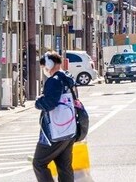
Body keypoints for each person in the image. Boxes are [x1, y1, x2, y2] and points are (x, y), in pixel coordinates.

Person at [32, 51, 77, 182]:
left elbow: (49, 103)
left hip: (55, 131)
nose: (44, 70)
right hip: (70, 129)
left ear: (50, 64)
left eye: (44, 66)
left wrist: (38, 101)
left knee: (39, 163)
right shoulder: (68, 78)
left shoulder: (54, 81)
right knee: (64, 166)